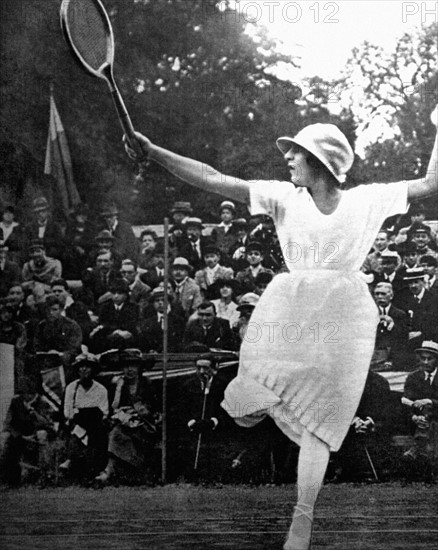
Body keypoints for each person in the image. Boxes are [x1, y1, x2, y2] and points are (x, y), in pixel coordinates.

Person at [125, 106, 438, 549]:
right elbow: (214, 178)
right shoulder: (282, 197)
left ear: (318, 160)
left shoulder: (367, 199)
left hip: (344, 317)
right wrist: (155, 152)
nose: (287, 158)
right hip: (290, 309)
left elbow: (431, 182)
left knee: (318, 426)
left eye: (295, 152)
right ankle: (276, 408)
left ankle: (303, 517)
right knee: (243, 401)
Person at [95, 348, 159, 483]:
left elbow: (152, 408)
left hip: (145, 425)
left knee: (118, 433)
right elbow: (114, 407)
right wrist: (118, 389)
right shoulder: (119, 385)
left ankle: (110, 471)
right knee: (116, 432)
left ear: (139, 368)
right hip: (124, 423)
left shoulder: (147, 384)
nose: (130, 369)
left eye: (133, 366)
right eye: (126, 366)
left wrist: (138, 410)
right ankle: (111, 470)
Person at [61, 354, 108, 478]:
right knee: (75, 427)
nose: (84, 370)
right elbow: (68, 411)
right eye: (81, 367)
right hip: (76, 423)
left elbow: (104, 412)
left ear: (93, 370)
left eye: (88, 367)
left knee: (98, 430)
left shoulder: (101, 389)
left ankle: (95, 468)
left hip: (95, 425)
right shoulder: (71, 388)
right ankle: (71, 460)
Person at [402, 340, 438, 477]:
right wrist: (414, 416)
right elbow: (406, 400)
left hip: (435, 415)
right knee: (431, 424)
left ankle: (416, 449)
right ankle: (424, 460)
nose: (426, 362)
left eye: (430, 358)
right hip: (417, 421)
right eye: (423, 358)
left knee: (429, 410)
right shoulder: (413, 377)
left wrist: (430, 401)